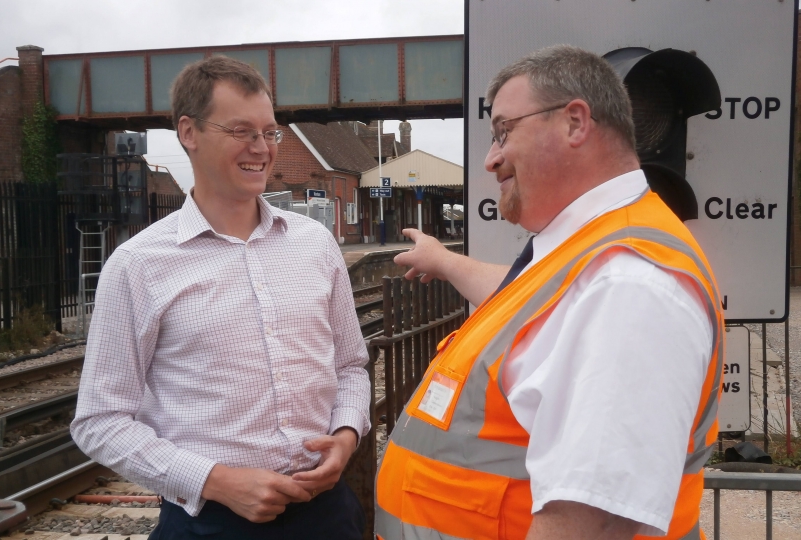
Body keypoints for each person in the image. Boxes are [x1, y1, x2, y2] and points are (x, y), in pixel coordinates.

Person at [375, 45, 724, 540]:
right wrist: (446, 261)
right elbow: (524, 308)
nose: (491, 159)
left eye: (503, 132)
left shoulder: (627, 281)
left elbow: (593, 521)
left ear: (575, 123)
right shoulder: (581, 257)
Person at [71, 56, 370, 540]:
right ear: (188, 132)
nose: (262, 149)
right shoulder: (138, 265)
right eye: (241, 132)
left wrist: (346, 435)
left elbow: (350, 367)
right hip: (210, 525)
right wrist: (215, 481)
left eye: (270, 133)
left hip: (328, 516)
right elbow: (100, 421)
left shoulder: (315, 243)